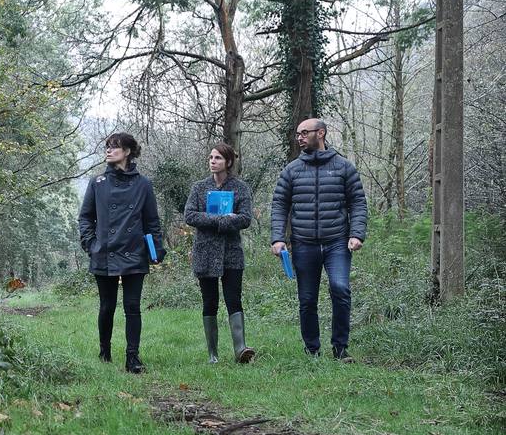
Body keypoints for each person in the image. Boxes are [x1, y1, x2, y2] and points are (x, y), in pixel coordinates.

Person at [270, 118, 369, 361]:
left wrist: (356, 233)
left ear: (321, 133)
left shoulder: (344, 167)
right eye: (298, 134)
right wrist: (277, 238)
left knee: (340, 289)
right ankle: (312, 349)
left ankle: (340, 349)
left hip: (337, 242)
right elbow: (279, 205)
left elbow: (357, 202)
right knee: (307, 299)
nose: (300, 137)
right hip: (303, 243)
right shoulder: (291, 170)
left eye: (305, 133)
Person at [78, 132, 165, 373]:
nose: (108, 151)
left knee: (133, 306)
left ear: (127, 152)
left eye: (114, 147)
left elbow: (152, 221)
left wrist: (156, 250)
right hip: (104, 251)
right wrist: (91, 243)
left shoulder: (143, 184)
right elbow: (85, 218)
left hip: (134, 252)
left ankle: (133, 358)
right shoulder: (97, 183)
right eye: (107, 147)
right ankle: (104, 351)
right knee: (107, 306)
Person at [183, 143, 256, 364]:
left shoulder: (240, 188)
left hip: (231, 252)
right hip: (205, 252)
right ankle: (212, 355)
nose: (213, 161)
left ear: (228, 162)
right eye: (211, 157)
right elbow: (190, 216)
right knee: (210, 301)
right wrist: (222, 220)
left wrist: (220, 220)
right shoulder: (199, 187)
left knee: (234, 298)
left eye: (218, 158)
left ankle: (240, 349)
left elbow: (245, 219)